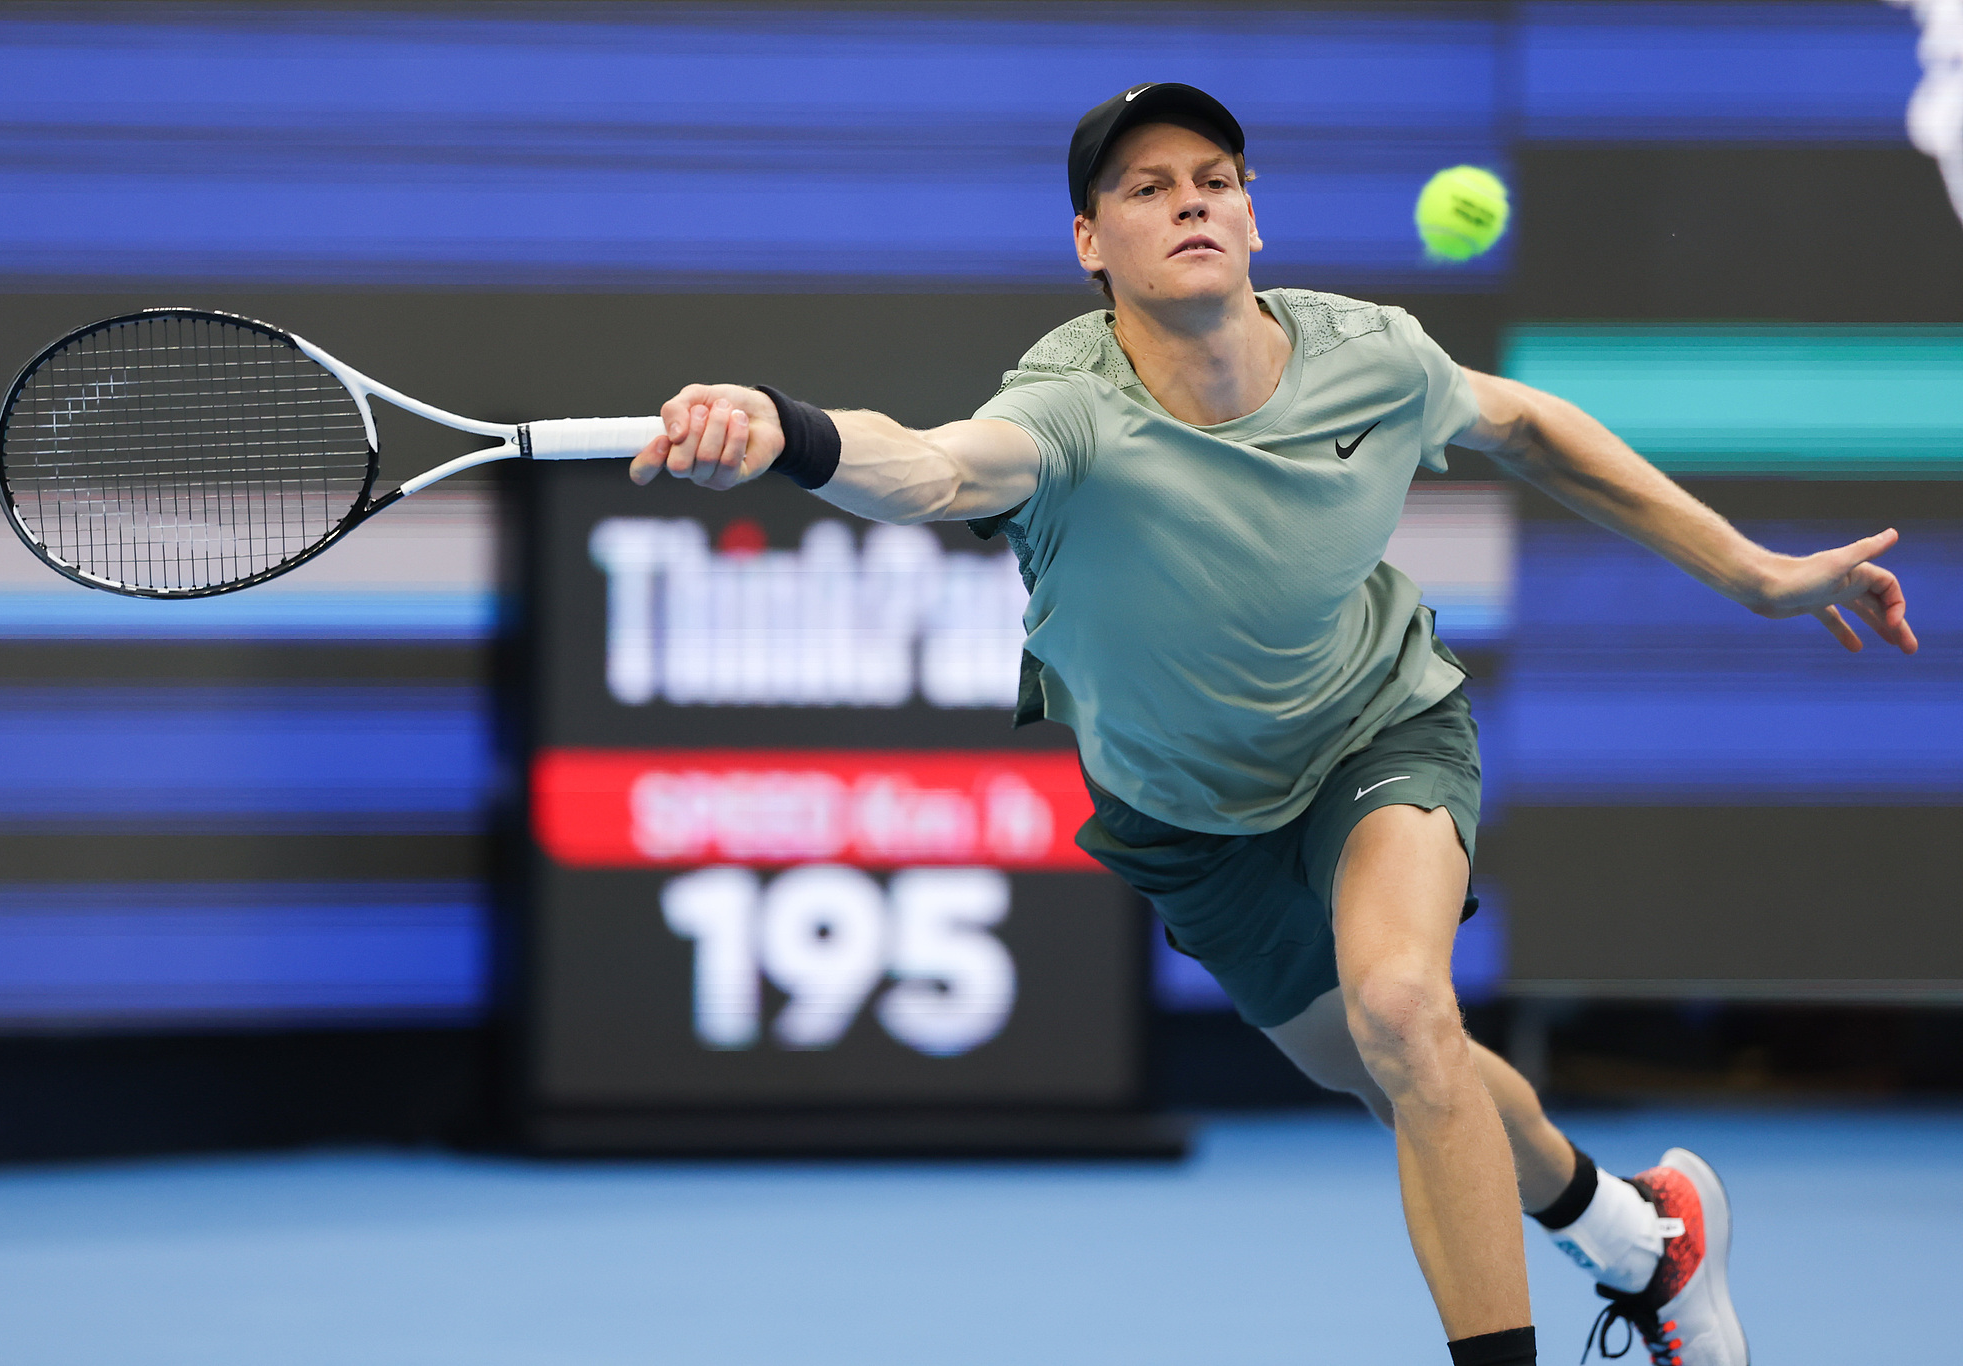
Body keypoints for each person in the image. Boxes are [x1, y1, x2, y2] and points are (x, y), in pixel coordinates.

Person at [625, 83, 1916, 1366]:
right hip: (1188, 820)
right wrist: (783, 431)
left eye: (1214, 178)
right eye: (1145, 186)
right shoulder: (1069, 407)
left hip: (1376, 733)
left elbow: (1525, 423)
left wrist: (1753, 572)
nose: (1188, 198)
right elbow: (934, 466)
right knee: (1405, 1067)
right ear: (1090, 243)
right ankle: (1642, 1236)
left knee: (1403, 1011)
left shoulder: (1370, 356)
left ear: (1252, 218)